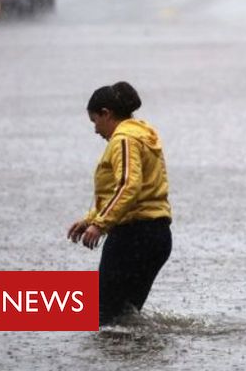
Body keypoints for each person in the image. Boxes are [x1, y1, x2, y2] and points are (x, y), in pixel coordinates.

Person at [67, 81, 172, 326]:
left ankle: (112, 362)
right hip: (157, 236)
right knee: (125, 317)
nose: (96, 130)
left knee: (102, 316)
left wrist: (100, 224)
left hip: (133, 236)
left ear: (107, 113)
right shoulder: (143, 135)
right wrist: (90, 219)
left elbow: (128, 186)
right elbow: (129, 189)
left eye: (95, 121)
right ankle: (137, 360)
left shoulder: (123, 140)